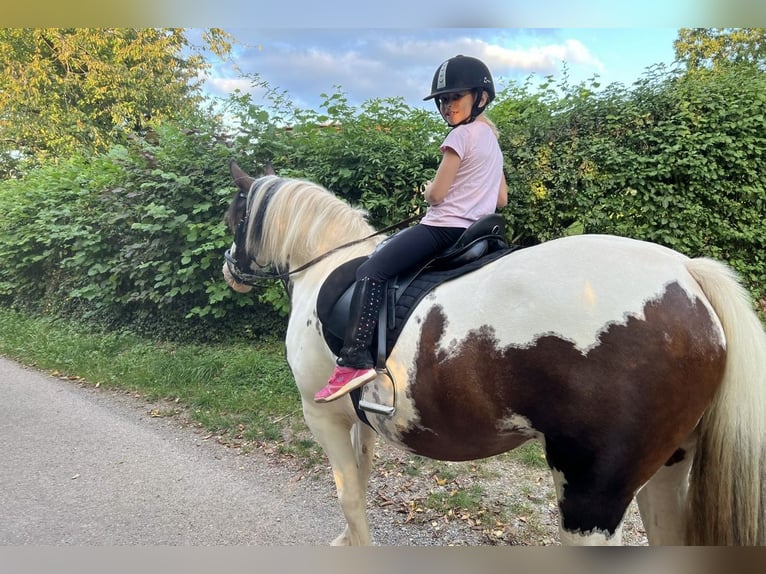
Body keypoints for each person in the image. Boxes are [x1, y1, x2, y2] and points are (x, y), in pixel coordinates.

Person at [314, 54, 508, 403]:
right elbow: (502, 198)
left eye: (455, 97)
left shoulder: (460, 138)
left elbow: (437, 195)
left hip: (443, 229)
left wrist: (427, 191)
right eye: (443, 100)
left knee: (372, 270)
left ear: (480, 97)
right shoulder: (491, 141)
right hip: (479, 231)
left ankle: (354, 359)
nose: (448, 106)